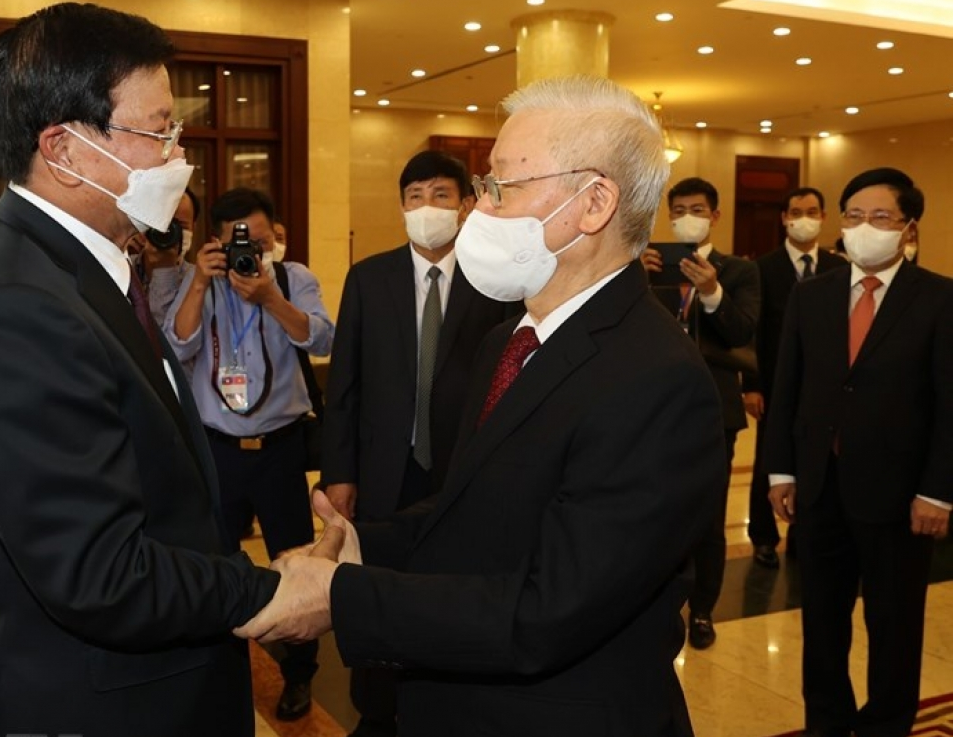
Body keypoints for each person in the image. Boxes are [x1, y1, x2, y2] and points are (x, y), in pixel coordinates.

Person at [239, 75, 729, 737]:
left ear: (592, 204)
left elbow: (548, 608)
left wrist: (342, 598)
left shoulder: (657, 378)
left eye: (501, 187)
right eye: (482, 187)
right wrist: (362, 542)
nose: (477, 211)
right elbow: (470, 509)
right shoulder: (510, 338)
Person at [0, 3, 297, 737]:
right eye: (158, 132)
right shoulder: (18, 306)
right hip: (94, 705)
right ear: (61, 148)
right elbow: (99, 573)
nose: (176, 155)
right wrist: (271, 590)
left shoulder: (71, 270)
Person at [321, 149, 519, 736]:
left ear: (463, 204)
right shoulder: (369, 278)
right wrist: (340, 474)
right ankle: (377, 708)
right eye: (414, 197)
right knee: (378, 581)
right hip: (387, 466)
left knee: (452, 585)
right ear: (401, 207)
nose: (426, 208)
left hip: (463, 468)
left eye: (439, 196)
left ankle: (445, 702)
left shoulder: (496, 281)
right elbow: (345, 386)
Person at [764, 167, 953, 737]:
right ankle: (827, 721)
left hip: (900, 498)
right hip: (820, 488)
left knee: (894, 626)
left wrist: (937, 491)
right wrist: (780, 471)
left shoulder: (940, 299)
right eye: (852, 216)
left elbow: (950, 403)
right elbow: (787, 387)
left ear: (908, 228)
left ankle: (887, 725)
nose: (863, 227)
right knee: (822, 624)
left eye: (879, 218)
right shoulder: (812, 295)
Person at [165, 186, 335, 721]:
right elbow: (177, 344)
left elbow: (322, 339)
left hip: (280, 451)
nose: (250, 254)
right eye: (239, 242)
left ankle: (299, 675)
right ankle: (219, 667)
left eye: (259, 242)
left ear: (275, 238)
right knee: (212, 562)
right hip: (218, 451)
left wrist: (269, 297)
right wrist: (198, 279)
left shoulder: (293, 278)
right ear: (215, 241)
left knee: (294, 566)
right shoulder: (202, 283)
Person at [640, 176, 760, 650]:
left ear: (715, 215)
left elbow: (742, 333)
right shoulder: (648, 263)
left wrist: (712, 293)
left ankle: (705, 609)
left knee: (709, 517)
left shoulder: (738, 272)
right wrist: (636, 275)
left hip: (714, 406)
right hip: (652, 406)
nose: (686, 216)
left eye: (696, 208)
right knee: (652, 507)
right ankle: (655, 599)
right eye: (678, 210)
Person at [742, 187, 846, 568]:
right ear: (785, 217)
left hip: (823, 386)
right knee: (770, 459)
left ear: (822, 217)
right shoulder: (763, 268)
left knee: (815, 459)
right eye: (797, 211)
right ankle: (764, 536)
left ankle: (805, 534)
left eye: (812, 211)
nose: (804, 218)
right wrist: (751, 384)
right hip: (773, 382)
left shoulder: (839, 267)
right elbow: (754, 333)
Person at [142, 186, 200, 326]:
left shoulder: (198, 282)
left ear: (193, 227)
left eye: (181, 225)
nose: (170, 232)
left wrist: (164, 270)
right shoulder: (124, 271)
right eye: (164, 223)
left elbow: (168, 342)